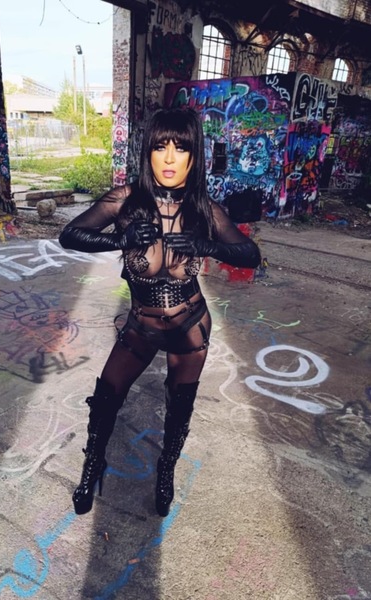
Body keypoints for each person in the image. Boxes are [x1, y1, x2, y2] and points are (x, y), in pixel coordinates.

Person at [59, 108, 261, 517]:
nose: (169, 158)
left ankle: (165, 470)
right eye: (160, 147)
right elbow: (71, 235)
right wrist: (121, 240)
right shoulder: (126, 201)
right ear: (147, 152)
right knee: (106, 397)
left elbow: (249, 254)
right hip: (141, 325)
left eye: (180, 148)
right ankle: (93, 465)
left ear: (194, 155)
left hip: (190, 326)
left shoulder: (203, 208)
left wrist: (208, 246)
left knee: (179, 406)